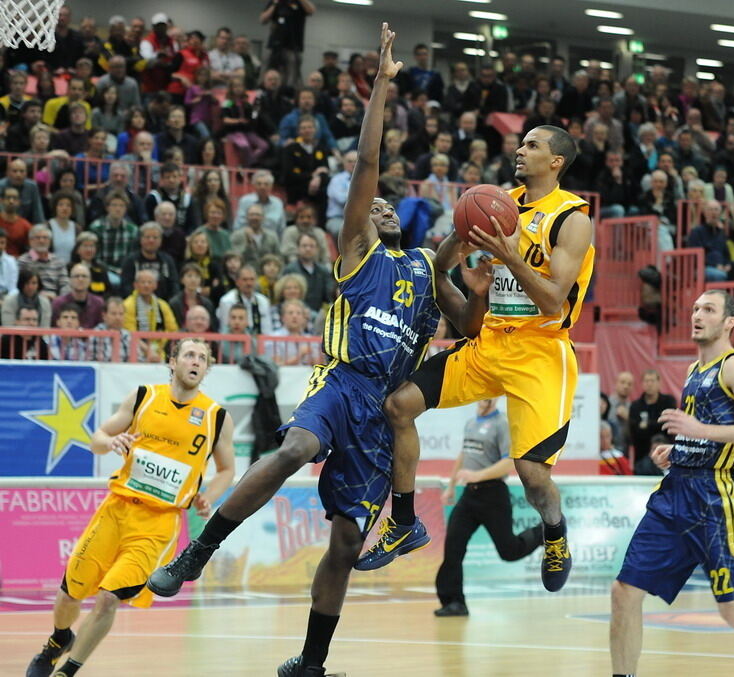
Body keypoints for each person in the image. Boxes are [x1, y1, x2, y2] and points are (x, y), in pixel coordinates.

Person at [146, 26, 487, 676]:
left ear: (410, 221)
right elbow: (365, 168)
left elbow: (470, 325)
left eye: (392, 204)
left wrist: (481, 283)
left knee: (347, 541)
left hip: (382, 412)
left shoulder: (426, 269)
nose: (381, 205)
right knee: (295, 447)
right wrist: (383, 88)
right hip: (340, 385)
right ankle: (200, 550)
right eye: (373, 204)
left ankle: (312, 661)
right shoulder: (358, 255)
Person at [366, 122, 598, 595]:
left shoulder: (571, 218)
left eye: (533, 145)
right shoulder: (497, 202)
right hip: (492, 341)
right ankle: (405, 521)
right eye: (522, 141)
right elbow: (444, 263)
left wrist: (512, 259)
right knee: (398, 406)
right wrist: (459, 232)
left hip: (541, 352)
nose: (520, 149)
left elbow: (554, 300)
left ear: (556, 161)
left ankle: (555, 533)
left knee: (532, 476)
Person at [24, 337, 234, 677]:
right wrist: (111, 441)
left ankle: (67, 671)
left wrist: (209, 494)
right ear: (173, 362)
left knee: (109, 598)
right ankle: (58, 640)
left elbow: (227, 470)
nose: (195, 361)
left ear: (207, 368)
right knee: (69, 593)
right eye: (189, 354)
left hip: (159, 523)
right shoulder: (144, 397)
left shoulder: (215, 416)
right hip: (116, 510)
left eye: (202, 358)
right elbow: (96, 440)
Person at [610, 290, 734, 677]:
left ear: (729, 322)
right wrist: (678, 449)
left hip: (712, 498)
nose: (697, 315)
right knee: (624, 591)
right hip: (675, 493)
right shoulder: (693, 370)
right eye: (695, 309)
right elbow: (703, 434)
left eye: (709, 309)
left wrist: (698, 429)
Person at [434, 399, 544, 617]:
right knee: (453, 548)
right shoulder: (471, 423)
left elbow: (508, 462)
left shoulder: (501, 424)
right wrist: (451, 486)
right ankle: (454, 602)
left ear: (495, 398)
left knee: (509, 551)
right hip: (469, 496)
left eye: (489, 395)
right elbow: (463, 455)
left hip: (493, 495)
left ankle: (544, 531)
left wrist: (478, 475)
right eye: (482, 395)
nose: (484, 399)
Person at [628, 370, 678, 475]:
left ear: (659, 383)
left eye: (652, 381)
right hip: (642, 456)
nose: (649, 384)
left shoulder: (668, 401)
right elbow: (635, 432)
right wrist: (657, 423)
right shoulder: (635, 406)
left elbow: (668, 425)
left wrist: (646, 425)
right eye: (646, 381)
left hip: (666, 455)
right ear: (642, 384)